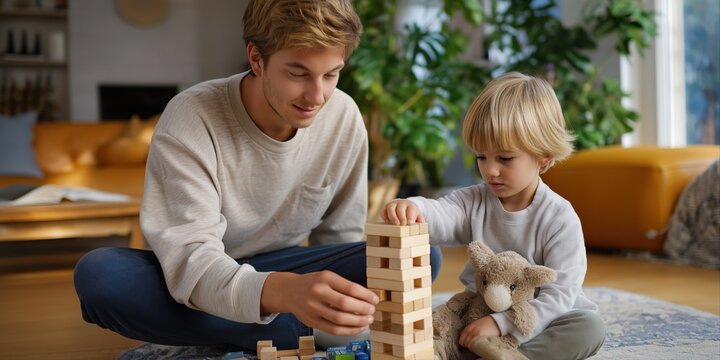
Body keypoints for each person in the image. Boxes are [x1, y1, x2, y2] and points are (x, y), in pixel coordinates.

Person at [73, 0, 441, 352]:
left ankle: (263, 328)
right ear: (256, 58)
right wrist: (283, 294)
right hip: (206, 272)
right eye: (298, 74)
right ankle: (293, 328)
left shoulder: (342, 116)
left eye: (331, 74)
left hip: (289, 267)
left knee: (423, 254)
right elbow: (192, 261)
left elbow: (339, 240)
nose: (317, 95)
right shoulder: (191, 118)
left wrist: (333, 297)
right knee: (101, 277)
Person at [382, 72, 606, 360]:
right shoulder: (475, 200)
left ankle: (506, 355)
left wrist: (502, 325)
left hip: (535, 321)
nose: (490, 170)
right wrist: (414, 207)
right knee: (435, 325)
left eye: (505, 158)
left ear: (544, 157)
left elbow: (560, 296)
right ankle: (464, 349)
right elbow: (444, 214)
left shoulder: (559, 218)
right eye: (481, 157)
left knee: (589, 328)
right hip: (478, 312)